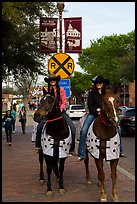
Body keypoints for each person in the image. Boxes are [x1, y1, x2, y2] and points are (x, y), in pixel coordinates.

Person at [35, 73, 76, 156]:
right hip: (48, 113)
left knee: (72, 127)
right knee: (39, 127)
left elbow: (64, 101)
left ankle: (71, 148)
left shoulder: (61, 90)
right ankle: (38, 146)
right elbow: (44, 102)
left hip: (60, 112)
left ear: (56, 81)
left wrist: (60, 110)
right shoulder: (46, 90)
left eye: (54, 80)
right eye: (51, 80)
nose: (52, 81)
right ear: (49, 82)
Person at [78, 75, 110, 161]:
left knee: (117, 127)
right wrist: (97, 111)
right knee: (84, 130)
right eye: (97, 83)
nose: (99, 84)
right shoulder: (91, 93)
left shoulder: (106, 93)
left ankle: (120, 150)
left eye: (100, 83)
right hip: (93, 113)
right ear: (95, 84)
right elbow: (90, 105)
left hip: (105, 114)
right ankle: (81, 153)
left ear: (103, 84)